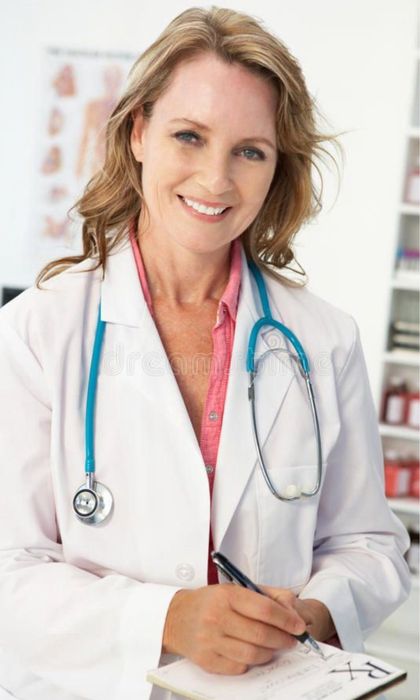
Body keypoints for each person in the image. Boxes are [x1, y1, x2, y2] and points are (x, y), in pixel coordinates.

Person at [0, 6, 411, 700]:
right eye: (189, 136)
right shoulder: (37, 332)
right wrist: (167, 619)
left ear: (277, 167)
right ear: (138, 132)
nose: (217, 179)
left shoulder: (324, 339)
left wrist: (311, 615)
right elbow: (10, 568)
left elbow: (369, 544)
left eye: (250, 151)